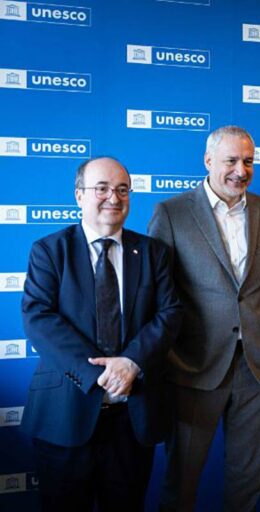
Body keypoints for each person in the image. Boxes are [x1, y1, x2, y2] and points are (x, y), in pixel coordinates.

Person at [20, 157, 182, 511]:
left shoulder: (153, 252)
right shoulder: (49, 250)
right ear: (79, 195)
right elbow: (39, 319)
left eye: (122, 189)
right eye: (102, 188)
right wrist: (100, 375)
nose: (114, 197)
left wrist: (131, 363)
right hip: (66, 414)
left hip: (132, 416)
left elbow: (170, 313)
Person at [148, 126, 260, 511]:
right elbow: (157, 293)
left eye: (248, 162)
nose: (241, 171)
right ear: (208, 161)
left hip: (258, 366)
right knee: (181, 481)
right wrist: (171, 356)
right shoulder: (172, 213)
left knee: (247, 480)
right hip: (194, 367)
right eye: (231, 161)